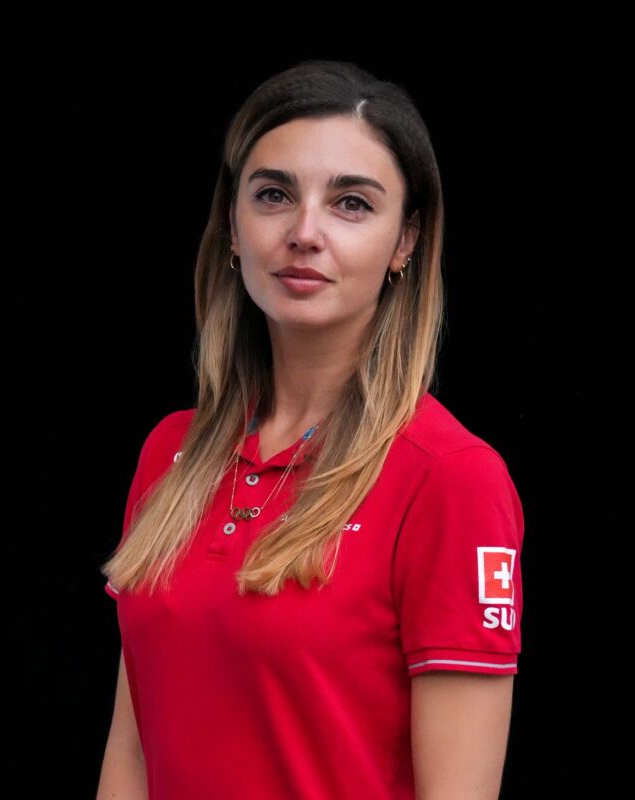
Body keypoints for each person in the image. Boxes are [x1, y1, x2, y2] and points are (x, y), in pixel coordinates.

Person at [97, 58, 524, 800]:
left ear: (405, 241)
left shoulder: (451, 477)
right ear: (233, 226)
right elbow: (131, 753)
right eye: (274, 194)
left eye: (351, 203)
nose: (304, 232)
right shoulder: (171, 451)